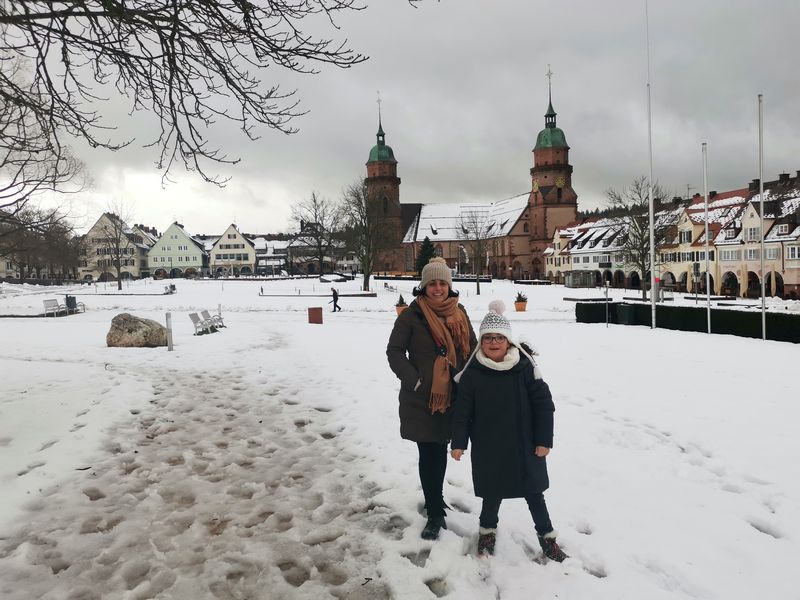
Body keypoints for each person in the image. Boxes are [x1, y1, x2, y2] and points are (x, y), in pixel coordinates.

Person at [450, 301, 567, 561]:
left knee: (535, 494)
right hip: (489, 446)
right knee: (492, 494)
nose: (493, 343)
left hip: (526, 445)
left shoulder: (525, 368)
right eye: (488, 338)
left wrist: (543, 440)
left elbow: (544, 406)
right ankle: (487, 533)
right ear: (481, 342)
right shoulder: (473, 374)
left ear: (509, 341)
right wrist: (458, 442)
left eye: (499, 338)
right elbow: (462, 412)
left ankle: (548, 539)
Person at [387, 257, 477, 540]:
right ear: (423, 286)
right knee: (430, 453)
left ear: (449, 285)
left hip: (455, 395)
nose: (437, 288)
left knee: (441, 448)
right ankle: (435, 512)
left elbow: (473, 349)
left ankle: (435, 499)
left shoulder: (459, 312)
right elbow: (395, 351)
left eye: (442, 283)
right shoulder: (411, 316)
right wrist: (414, 379)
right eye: (432, 283)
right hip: (423, 398)